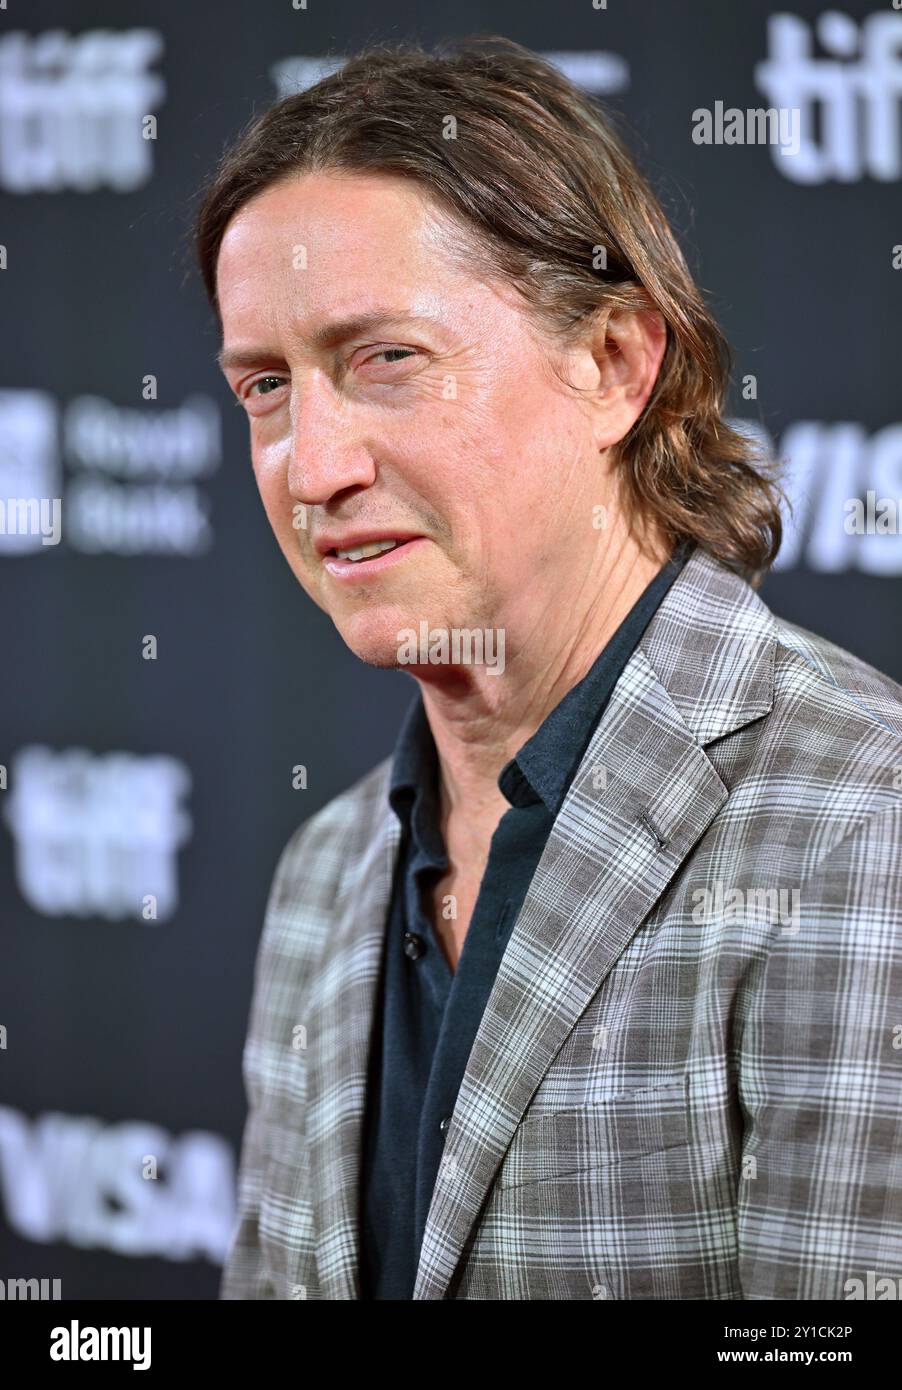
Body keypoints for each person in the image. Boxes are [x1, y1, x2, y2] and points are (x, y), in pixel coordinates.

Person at [196, 37, 902, 1299]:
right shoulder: (323, 874)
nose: (310, 469)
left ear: (615, 364)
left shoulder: (859, 821)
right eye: (265, 385)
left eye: (385, 360)